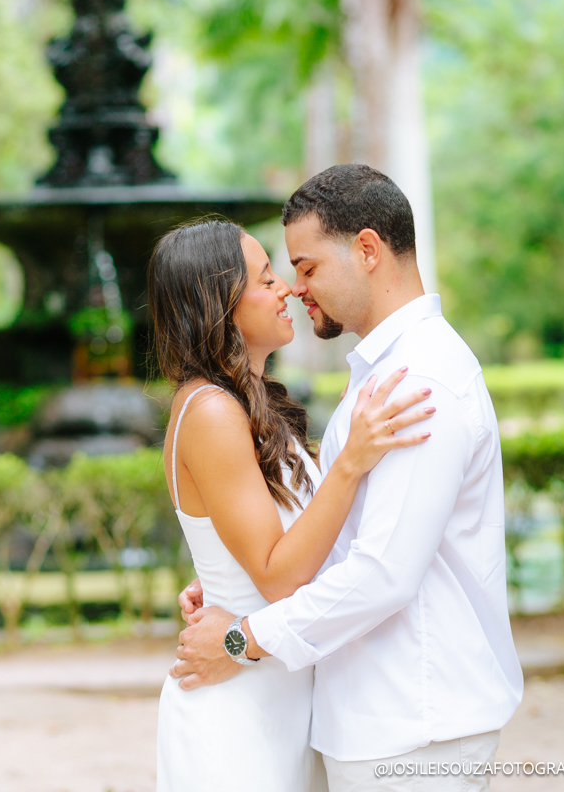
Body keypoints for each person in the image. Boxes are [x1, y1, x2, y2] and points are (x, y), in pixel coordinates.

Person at [171, 164, 524, 791]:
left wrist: (242, 636)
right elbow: (340, 534)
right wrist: (226, 570)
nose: (294, 288)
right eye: (279, 273)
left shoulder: (417, 382)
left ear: (366, 249)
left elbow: (382, 572)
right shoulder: (380, 373)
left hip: (413, 724)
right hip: (373, 717)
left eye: (306, 268)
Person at [148, 216, 435, 792]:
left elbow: (268, 544)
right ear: (219, 305)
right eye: (265, 279)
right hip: (237, 711)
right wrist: (351, 461)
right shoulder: (209, 410)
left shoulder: (251, 403)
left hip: (283, 692)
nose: (288, 288)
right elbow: (279, 578)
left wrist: (217, 578)